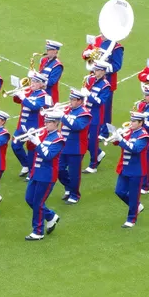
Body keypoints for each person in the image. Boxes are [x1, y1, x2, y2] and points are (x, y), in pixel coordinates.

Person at [24, 111, 64, 241]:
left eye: (49, 122)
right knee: (29, 199)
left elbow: (48, 156)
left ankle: (38, 231)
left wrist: (38, 142)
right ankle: (50, 216)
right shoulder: (44, 135)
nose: (45, 124)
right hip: (36, 173)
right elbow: (31, 148)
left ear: (56, 124)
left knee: (38, 203)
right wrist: (30, 138)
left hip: (47, 175)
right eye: (45, 121)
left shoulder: (58, 139)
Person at [110, 112, 149, 228]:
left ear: (140, 123)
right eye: (131, 121)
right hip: (124, 167)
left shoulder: (144, 136)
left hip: (136, 170)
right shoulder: (129, 132)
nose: (131, 123)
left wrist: (121, 140)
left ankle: (131, 219)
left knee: (133, 195)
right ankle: (137, 206)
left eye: (134, 121)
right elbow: (119, 143)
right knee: (119, 191)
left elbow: (135, 149)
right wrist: (116, 137)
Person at [10, 73, 50, 177]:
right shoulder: (28, 92)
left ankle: (32, 172)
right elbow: (16, 100)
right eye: (32, 81)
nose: (33, 83)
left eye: (36, 82)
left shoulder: (43, 95)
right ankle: (26, 165)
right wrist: (17, 92)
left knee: (32, 149)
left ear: (41, 84)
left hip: (34, 126)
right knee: (15, 145)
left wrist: (23, 97)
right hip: (22, 125)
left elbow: (35, 106)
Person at [57, 89, 91, 204]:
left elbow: (77, 126)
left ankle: (74, 195)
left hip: (76, 148)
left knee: (74, 173)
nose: (70, 101)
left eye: (73, 100)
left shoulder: (84, 114)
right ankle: (69, 187)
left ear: (80, 101)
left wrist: (63, 116)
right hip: (63, 145)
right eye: (70, 99)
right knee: (58, 169)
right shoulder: (68, 110)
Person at [82, 32, 124, 125]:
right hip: (93, 78)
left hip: (108, 80)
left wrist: (102, 68)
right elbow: (84, 54)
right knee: (90, 103)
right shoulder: (96, 40)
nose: (101, 34)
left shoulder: (116, 47)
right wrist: (87, 54)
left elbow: (116, 66)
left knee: (105, 107)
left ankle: (104, 131)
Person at [82, 61, 112, 174]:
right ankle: (99, 153)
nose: (96, 72)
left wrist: (89, 95)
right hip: (86, 113)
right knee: (84, 138)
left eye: (99, 70)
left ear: (104, 72)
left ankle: (93, 164)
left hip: (96, 116)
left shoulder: (106, 85)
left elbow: (101, 101)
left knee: (93, 141)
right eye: (95, 70)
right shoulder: (90, 79)